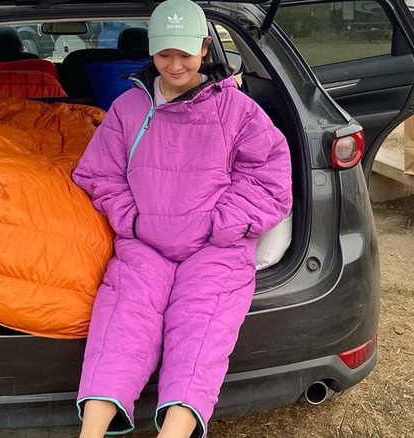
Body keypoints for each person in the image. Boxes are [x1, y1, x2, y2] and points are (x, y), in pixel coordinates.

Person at [71, 0, 292, 436]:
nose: (175, 65)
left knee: (201, 333)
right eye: (164, 54)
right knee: (121, 326)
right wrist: (132, 221)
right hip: (144, 243)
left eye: (185, 54)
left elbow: (270, 179)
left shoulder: (239, 111)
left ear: (205, 48)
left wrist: (219, 224)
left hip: (215, 248)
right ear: (151, 51)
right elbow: (99, 174)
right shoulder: (128, 108)